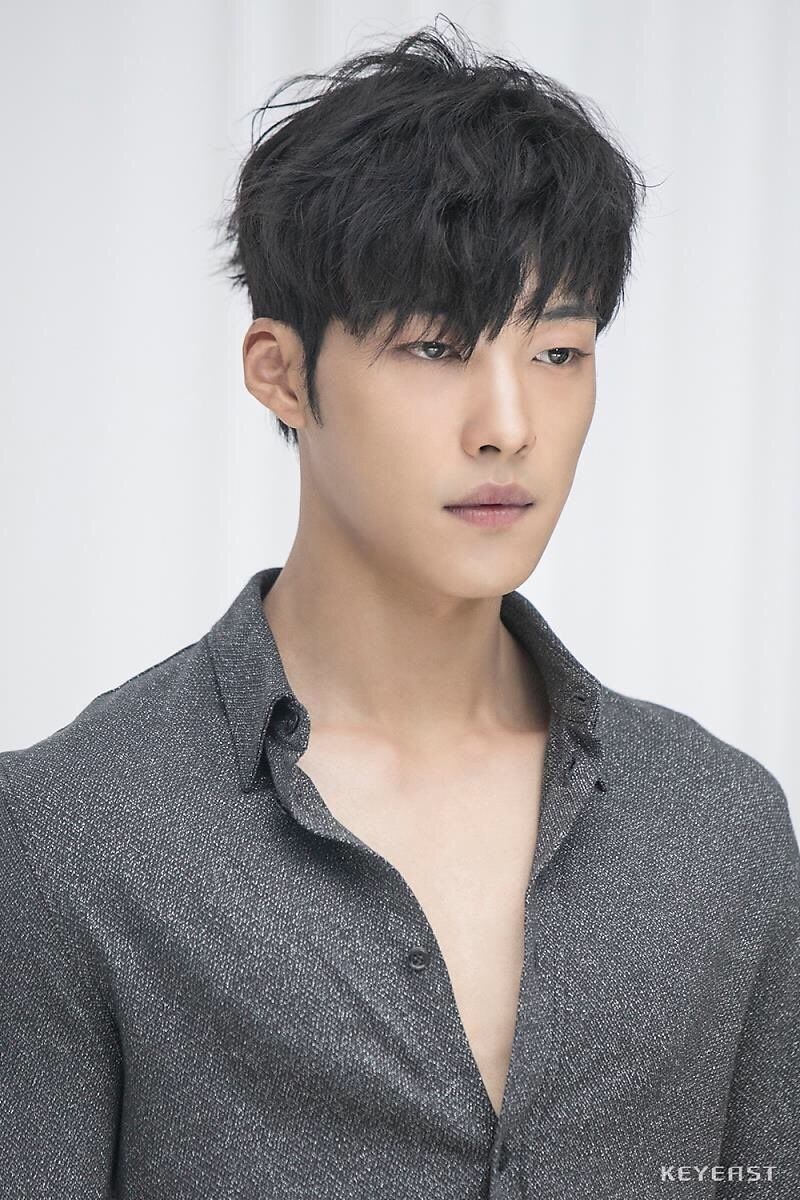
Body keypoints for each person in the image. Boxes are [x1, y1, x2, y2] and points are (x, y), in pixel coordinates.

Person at [1, 16, 797, 1200]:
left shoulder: (717, 825)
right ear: (280, 371)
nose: (507, 426)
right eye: (433, 347)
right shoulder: (71, 832)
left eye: (558, 353)